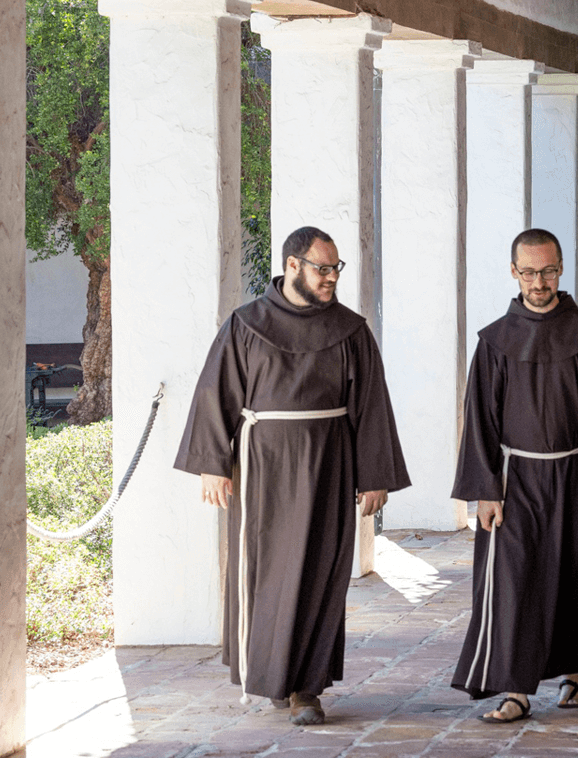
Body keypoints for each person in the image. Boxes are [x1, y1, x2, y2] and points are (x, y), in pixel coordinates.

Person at [174, 226, 411, 726]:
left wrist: (375, 475)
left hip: (329, 465)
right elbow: (215, 393)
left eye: (335, 269)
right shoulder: (245, 325)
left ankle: (307, 687)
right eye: (323, 268)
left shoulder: (351, 330)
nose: (331, 278)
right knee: (267, 572)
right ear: (292, 265)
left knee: (320, 572)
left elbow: (371, 406)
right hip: (263, 468)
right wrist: (213, 464)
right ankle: (271, 675)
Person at [450, 228, 578, 724]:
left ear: (561, 269)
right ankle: (515, 689)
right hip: (514, 482)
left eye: (548, 271)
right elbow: (479, 419)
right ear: (514, 272)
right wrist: (484, 490)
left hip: (576, 475)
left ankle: (572, 679)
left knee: (575, 575)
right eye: (529, 272)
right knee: (515, 582)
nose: (539, 281)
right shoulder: (494, 342)